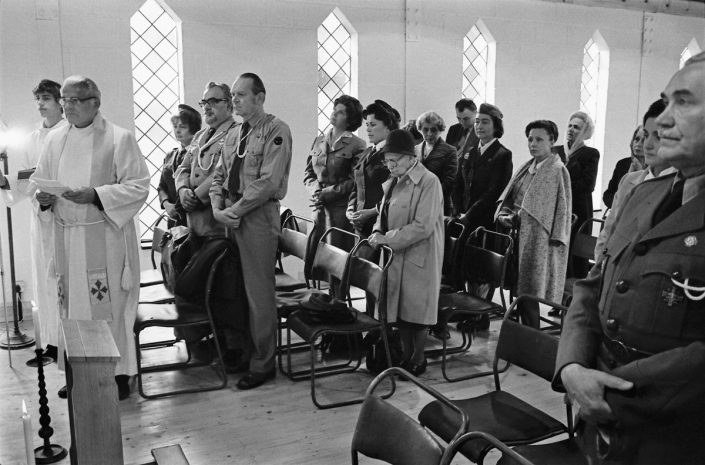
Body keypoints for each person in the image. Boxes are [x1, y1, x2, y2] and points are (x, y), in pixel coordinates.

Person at [553, 51, 705, 465]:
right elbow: (593, 288)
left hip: (672, 437)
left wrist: (606, 392)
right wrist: (571, 366)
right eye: (665, 100)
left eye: (685, 102)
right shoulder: (645, 193)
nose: (662, 120)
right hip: (600, 429)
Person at [31, 76, 149, 400]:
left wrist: (96, 194)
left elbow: (139, 185)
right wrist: (43, 199)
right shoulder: (54, 139)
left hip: (105, 240)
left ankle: (119, 375)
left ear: (95, 103)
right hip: (68, 240)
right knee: (72, 310)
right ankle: (78, 375)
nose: (67, 106)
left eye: (74, 100)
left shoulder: (119, 138)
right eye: (64, 100)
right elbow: (41, 182)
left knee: (109, 309)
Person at [210, 72, 292, 390]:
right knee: (236, 291)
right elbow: (220, 173)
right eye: (233, 95)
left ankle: (263, 363)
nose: (235, 100)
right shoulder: (233, 133)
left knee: (259, 295)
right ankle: (243, 352)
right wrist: (218, 209)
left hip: (257, 217)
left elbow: (267, 183)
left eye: (241, 95)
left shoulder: (275, 130)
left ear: (260, 97)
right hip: (231, 214)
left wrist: (234, 210)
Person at [0, 79, 68, 362]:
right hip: (39, 219)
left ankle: (67, 346)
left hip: (65, 217)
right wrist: (5, 182)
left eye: (46, 98)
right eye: (38, 99)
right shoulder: (32, 138)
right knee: (43, 281)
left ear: (60, 102)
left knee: (63, 283)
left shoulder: (70, 133)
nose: (40, 104)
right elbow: (27, 177)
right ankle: (51, 344)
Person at [369, 129, 444, 376]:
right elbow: (384, 212)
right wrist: (377, 230)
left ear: (411, 157)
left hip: (419, 253)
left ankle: (418, 358)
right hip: (395, 253)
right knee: (400, 310)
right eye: (387, 160)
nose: (390, 165)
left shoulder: (428, 181)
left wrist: (386, 238)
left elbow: (423, 226)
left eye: (395, 160)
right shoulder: (394, 181)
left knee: (417, 311)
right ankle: (405, 354)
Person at [495, 120, 571, 328]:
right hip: (518, 235)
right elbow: (511, 196)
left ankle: (531, 340)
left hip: (539, 241)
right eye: (530, 139)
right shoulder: (527, 167)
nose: (533, 144)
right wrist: (504, 213)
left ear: (552, 141)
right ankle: (520, 335)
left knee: (529, 293)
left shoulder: (557, 170)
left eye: (539, 139)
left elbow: (562, 212)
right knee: (519, 291)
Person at [594, 100, 676, 260]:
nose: (648, 145)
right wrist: (600, 266)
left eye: (658, 137)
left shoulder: (681, 186)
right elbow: (609, 229)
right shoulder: (629, 180)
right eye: (645, 135)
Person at [304, 95, 366, 255]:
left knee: (335, 261)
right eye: (334, 110)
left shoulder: (357, 145)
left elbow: (354, 181)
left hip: (339, 213)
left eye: (341, 112)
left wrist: (326, 194)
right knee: (314, 259)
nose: (334, 114)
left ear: (350, 119)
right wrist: (315, 191)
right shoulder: (319, 140)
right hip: (318, 209)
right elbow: (309, 173)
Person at [176, 83, 236, 246]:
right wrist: (182, 190)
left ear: (229, 104)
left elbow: (226, 172)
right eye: (204, 103)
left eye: (214, 101)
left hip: (217, 226)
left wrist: (195, 197)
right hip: (193, 225)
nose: (207, 107)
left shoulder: (236, 133)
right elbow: (183, 168)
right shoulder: (199, 136)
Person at [452, 103, 513, 230]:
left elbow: (493, 193)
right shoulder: (469, 151)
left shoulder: (502, 155)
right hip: (461, 218)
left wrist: (468, 216)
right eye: (477, 121)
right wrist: (457, 211)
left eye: (485, 122)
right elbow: (458, 183)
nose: (479, 126)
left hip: (483, 223)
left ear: (495, 125)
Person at [554, 111, 600, 277]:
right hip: (558, 208)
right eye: (570, 126)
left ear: (585, 131)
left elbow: (588, 185)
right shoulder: (556, 151)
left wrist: (562, 186)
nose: (571, 129)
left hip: (578, 209)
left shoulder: (590, 153)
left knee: (574, 254)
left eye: (577, 127)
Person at [346, 100, 398, 238]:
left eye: (373, 125)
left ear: (387, 127)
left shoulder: (393, 154)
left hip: (381, 222)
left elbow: (393, 193)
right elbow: (356, 186)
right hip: (359, 222)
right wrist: (350, 209)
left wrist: (369, 213)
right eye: (367, 125)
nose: (368, 129)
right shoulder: (367, 152)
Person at [158, 104, 201, 228]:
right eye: (175, 126)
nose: (177, 130)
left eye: (182, 127)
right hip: (173, 220)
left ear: (193, 129)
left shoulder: (200, 154)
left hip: (195, 218)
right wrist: (166, 204)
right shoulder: (170, 155)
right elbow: (162, 186)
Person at [414, 111, 457, 214]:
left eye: (433, 130)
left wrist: (426, 197)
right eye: (425, 129)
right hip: (416, 205)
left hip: (439, 205)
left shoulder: (450, 150)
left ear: (440, 130)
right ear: (420, 129)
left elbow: (449, 182)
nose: (429, 134)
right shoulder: (415, 149)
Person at [602, 126, 645, 209]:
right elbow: (608, 194)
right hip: (618, 213)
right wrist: (618, 204)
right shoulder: (622, 164)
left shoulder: (654, 168)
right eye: (637, 139)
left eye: (643, 141)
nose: (638, 144)